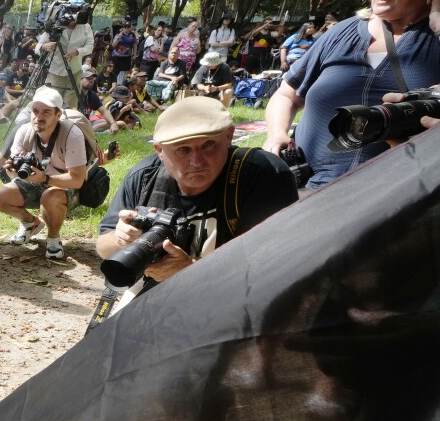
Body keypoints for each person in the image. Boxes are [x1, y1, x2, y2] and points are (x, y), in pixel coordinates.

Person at [264, 0, 440, 189]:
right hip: (306, 192)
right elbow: (286, 95)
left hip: (396, 201)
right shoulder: (341, 32)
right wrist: (276, 133)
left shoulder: (435, 36)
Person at [97, 97, 298, 283]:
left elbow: (276, 268)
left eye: (208, 144)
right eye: (182, 149)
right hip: (154, 296)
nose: (196, 161)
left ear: (229, 136)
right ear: (159, 150)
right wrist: (120, 238)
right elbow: (103, 246)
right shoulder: (144, 178)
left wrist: (189, 271)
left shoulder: (262, 175)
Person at [0, 87, 87, 261]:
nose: (39, 117)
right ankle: (30, 223)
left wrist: (46, 178)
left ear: (58, 114)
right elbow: (15, 176)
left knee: (51, 196)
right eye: (35, 111)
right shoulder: (25, 131)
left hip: (65, 187)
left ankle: (54, 238)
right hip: (35, 182)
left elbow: (78, 180)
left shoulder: (72, 134)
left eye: (46, 112)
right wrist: (12, 170)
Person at [36, 0, 93, 108]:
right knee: (52, 105)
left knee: (70, 107)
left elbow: (90, 47)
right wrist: (44, 47)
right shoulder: (54, 24)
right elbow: (38, 47)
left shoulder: (86, 27)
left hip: (75, 71)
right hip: (55, 71)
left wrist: (77, 51)